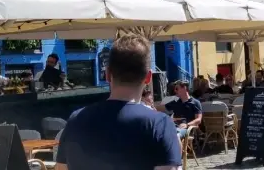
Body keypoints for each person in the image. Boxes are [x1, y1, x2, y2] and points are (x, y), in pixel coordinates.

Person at [55, 34, 181, 170]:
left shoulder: (75, 120)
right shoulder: (160, 125)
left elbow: (61, 167)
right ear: (148, 77)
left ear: (108, 74)